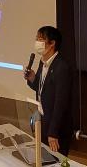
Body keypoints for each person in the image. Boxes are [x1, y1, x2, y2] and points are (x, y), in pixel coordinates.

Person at [23, 26, 74, 156]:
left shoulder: (61, 67)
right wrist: (33, 79)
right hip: (43, 120)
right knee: (43, 160)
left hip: (56, 126)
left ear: (52, 44)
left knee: (56, 163)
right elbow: (43, 90)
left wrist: (53, 132)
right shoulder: (43, 62)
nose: (37, 43)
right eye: (37, 39)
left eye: (41, 39)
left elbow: (60, 102)